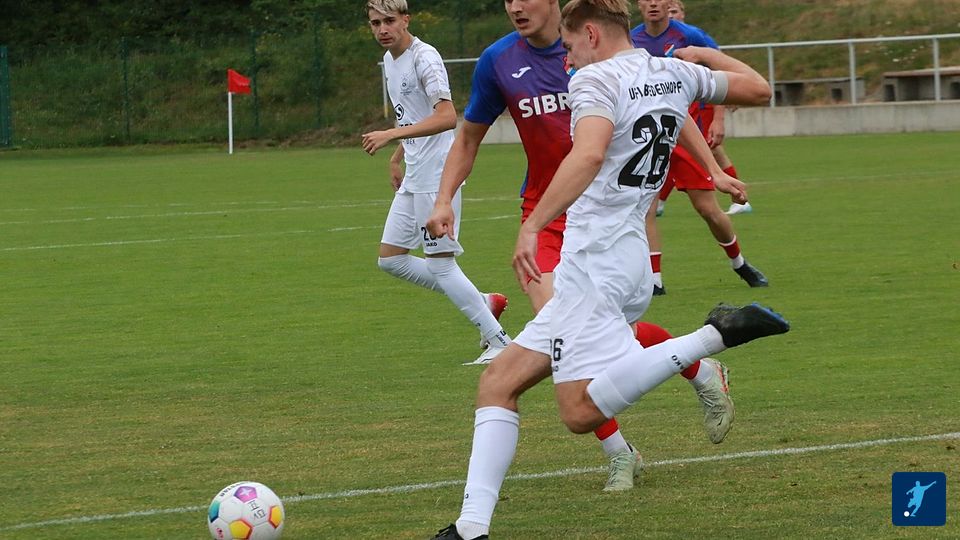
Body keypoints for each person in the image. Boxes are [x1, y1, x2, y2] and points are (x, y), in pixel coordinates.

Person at [428, 2, 789, 538]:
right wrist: (703, 55)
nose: (568, 59)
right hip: (627, 257)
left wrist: (533, 226)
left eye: (571, 46)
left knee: (578, 412)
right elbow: (759, 89)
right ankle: (470, 527)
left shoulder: (594, 79)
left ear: (591, 34)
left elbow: (590, 154)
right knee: (499, 381)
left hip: (593, 263)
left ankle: (711, 337)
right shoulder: (671, 70)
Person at [362, 0, 509, 366]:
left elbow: (446, 117)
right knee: (391, 259)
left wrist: (390, 135)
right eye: (375, 23)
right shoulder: (390, 60)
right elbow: (413, 116)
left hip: (438, 173)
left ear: (406, 20)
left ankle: (500, 341)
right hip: (415, 171)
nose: (382, 29)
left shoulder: (424, 58)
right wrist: (397, 156)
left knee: (441, 264)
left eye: (389, 21)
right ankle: (483, 301)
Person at [633, 0, 767, 295]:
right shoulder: (631, 41)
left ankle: (739, 263)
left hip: (686, 135)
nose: (653, 3)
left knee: (707, 209)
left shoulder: (690, 36)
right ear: (638, 3)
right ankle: (654, 280)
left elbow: (719, 71)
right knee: (646, 209)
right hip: (649, 139)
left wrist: (718, 119)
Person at [664, 0, 753, 216]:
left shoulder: (693, 36)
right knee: (676, 149)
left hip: (702, 104)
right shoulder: (647, 36)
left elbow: (718, 64)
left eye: (675, 11)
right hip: (677, 105)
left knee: (704, 148)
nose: (672, 15)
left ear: (683, 13)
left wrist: (719, 115)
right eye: (669, 11)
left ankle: (739, 198)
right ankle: (658, 200)